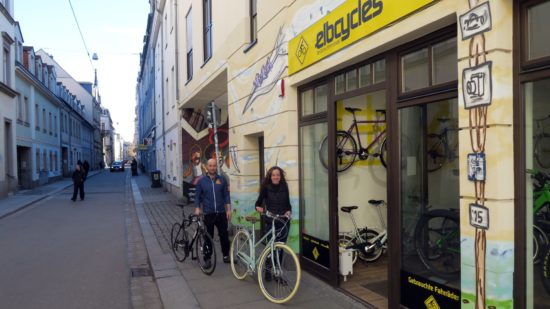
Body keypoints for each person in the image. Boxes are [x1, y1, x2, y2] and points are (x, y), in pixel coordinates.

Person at [255, 166, 292, 281]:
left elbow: (288, 204)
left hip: (283, 221)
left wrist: (289, 211)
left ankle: (277, 273)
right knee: (270, 248)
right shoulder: (266, 188)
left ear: (280, 176)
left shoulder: (284, 187)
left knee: (280, 249)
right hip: (271, 221)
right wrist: (260, 209)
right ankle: (267, 269)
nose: (276, 177)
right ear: (270, 177)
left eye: (278, 175)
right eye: (274, 175)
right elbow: (258, 203)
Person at [194, 159, 231, 264]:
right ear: (207, 166)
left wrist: (228, 209)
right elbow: (197, 196)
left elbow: (226, 196)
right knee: (208, 236)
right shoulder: (201, 181)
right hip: (208, 213)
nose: (212, 167)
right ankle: (207, 257)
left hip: (221, 213)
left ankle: (226, 255)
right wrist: (197, 208)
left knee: (224, 235)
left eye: (214, 165)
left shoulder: (222, 180)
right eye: (210, 165)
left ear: (216, 166)